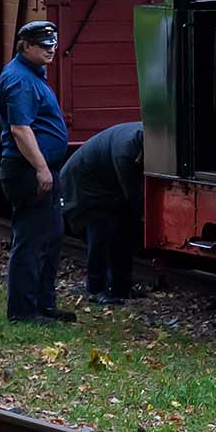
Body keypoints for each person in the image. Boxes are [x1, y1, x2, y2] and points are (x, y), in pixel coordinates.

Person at [0, 20, 72, 324]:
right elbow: (20, 129)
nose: (50, 50)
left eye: (52, 45)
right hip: (27, 170)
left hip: (40, 167)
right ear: (25, 45)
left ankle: (44, 303)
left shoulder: (31, 75)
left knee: (51, 236)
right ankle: (23, 311)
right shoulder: (21, 80)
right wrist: (42, 169)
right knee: (31, 239)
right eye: (43, 46)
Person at [59, 120, 145, 304]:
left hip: (107, 185)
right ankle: (95, 289)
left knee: (123, 234)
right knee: (100, 236)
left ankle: (121, 288)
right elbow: (133, 195)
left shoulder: (140, 138)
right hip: (85, 188)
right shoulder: (126, 151)